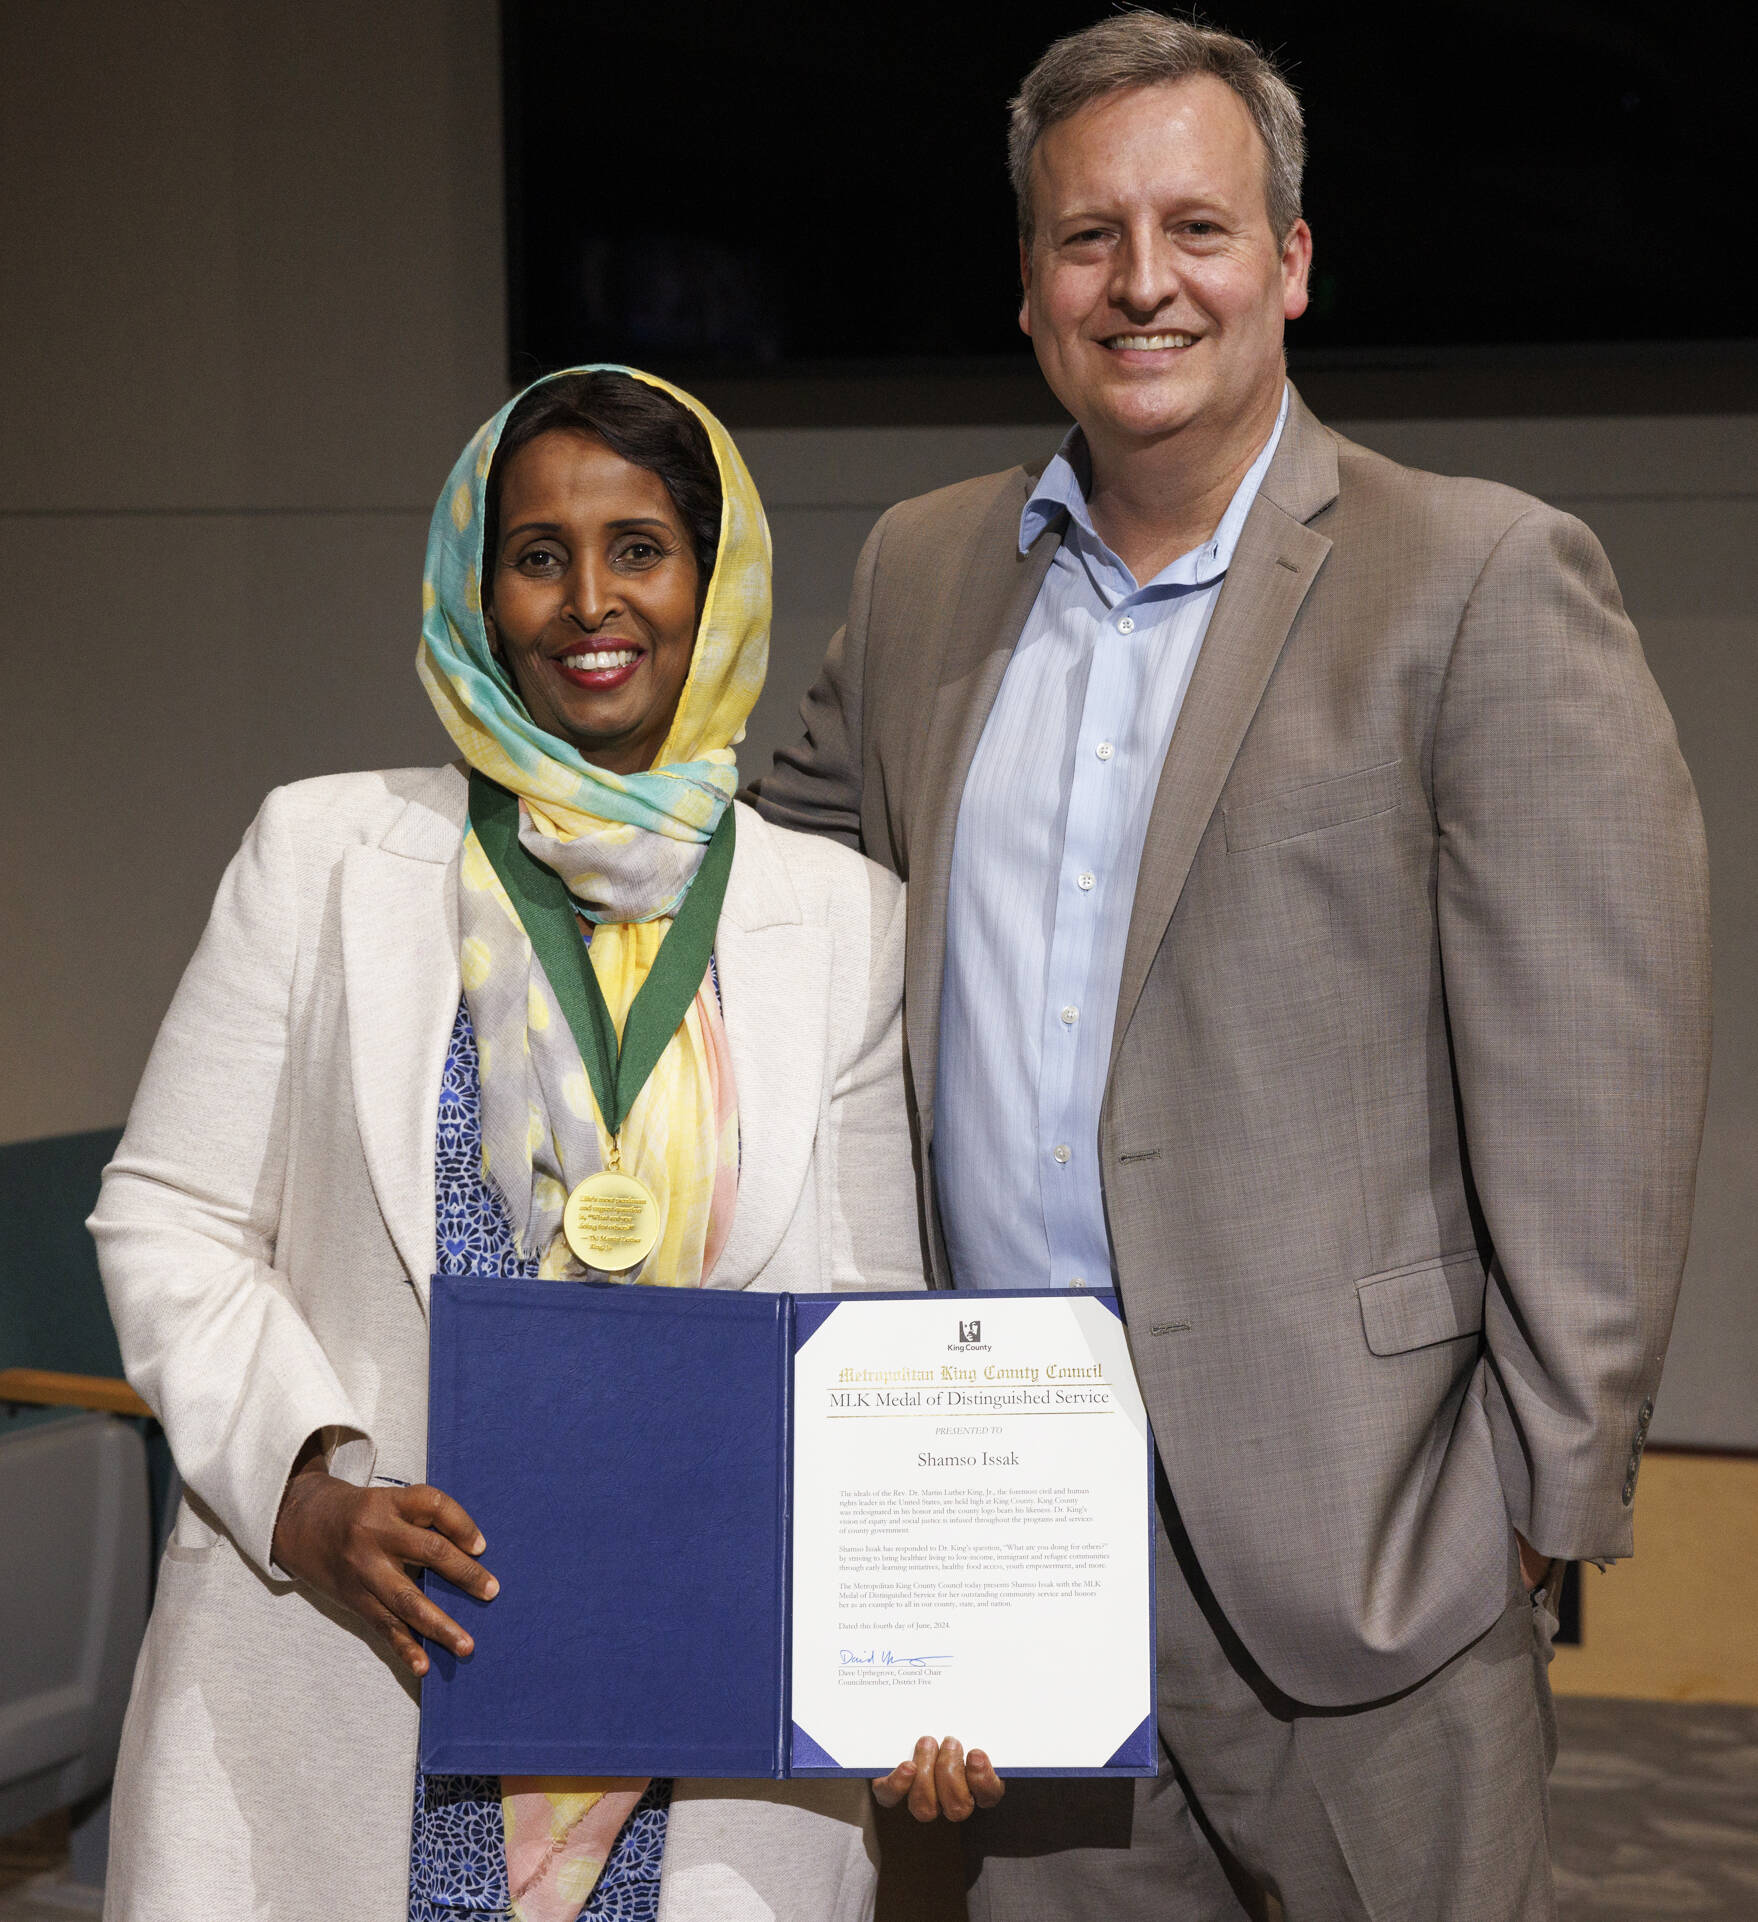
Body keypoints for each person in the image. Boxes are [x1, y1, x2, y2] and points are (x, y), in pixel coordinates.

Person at [754, 14, 1713, 1920]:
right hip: (996, 1527)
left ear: (1286, 261)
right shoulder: (923, 572)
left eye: (1194, 226)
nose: (1140, 281)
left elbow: (1601, 1079)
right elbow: (763, 912)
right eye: (1084, 235)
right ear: (1028, 286)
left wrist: (1538, 1507)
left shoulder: (1480, 575)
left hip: (1369, 1547)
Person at [90, 366, 928, 1922]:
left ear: (715, 573)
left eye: (641, 546)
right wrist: (305, 1494)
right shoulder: (325, 853)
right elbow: (163, 1215)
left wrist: (929, 1644)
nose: (590, 599)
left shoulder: (841, 922)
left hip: (707, 1738)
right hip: (347, 1675)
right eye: (538, 552)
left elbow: (873, 1330)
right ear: (478, 587)